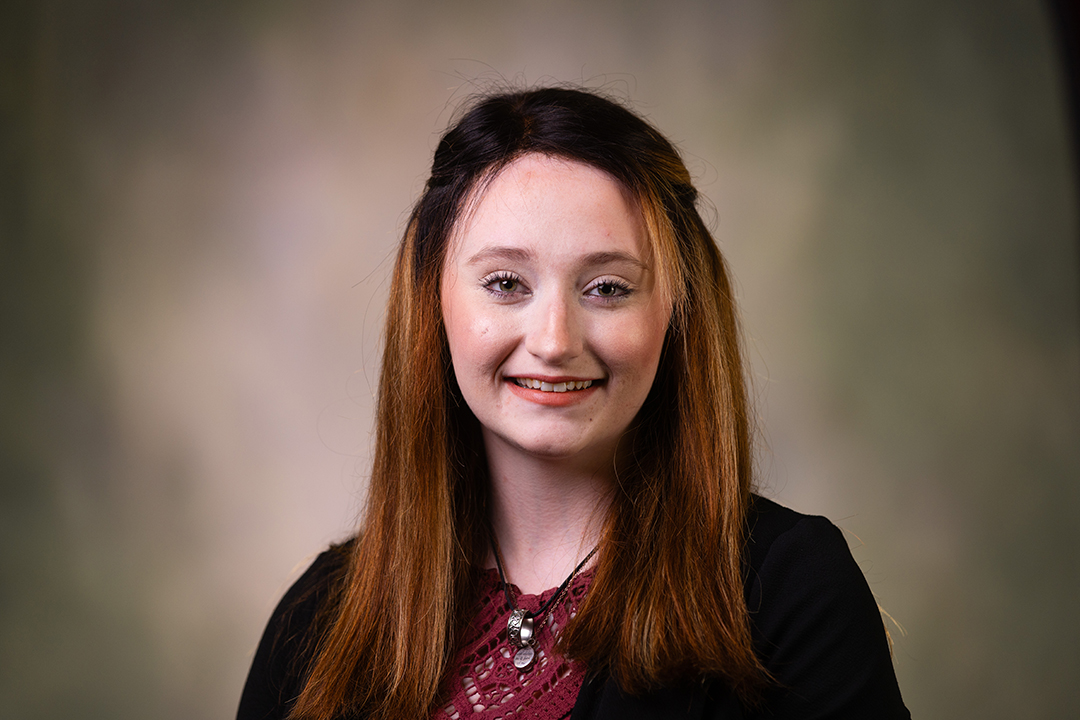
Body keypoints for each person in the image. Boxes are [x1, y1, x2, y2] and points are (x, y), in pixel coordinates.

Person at [237, 86, 910, 720]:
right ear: (432, 304)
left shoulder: (790, 592)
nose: (555, 341)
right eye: (505, 282)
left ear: (675, 314)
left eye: (608, 288)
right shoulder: (318, 618)